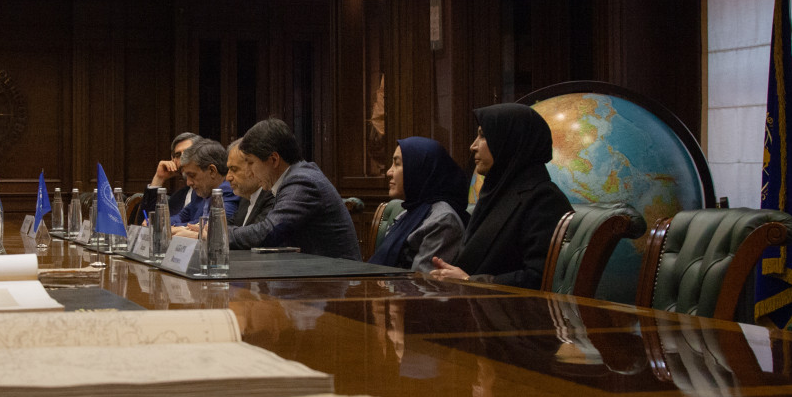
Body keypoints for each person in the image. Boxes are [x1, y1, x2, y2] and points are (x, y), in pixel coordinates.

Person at [430, 104, 571, 287]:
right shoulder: (496, 193)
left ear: (510, 141)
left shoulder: (544, 199)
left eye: (483, 135)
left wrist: (469, 281)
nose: (473, 146)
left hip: (509, 305)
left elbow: (538, 279)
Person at [229, 118, 361, 261]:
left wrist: (221, 234)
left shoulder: (302, 182)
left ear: (274, 159)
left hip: (337, 273)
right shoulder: (295, 177)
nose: (249, 172)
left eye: (250, 162)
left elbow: (268, 233)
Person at [369, 136, 468, 272]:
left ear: (419, 168)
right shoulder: (409, 212)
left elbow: (421, 281)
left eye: (397, 164)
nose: (388, 172)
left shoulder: (443, 220)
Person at [167, 138, 241, 233]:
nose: (188, 183)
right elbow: (180, 217)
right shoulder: (199, 193)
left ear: (212, 171)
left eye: (192, 175)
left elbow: (214, 225)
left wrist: (177, 228)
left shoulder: (229, 191)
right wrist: (157, 223)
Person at [138, 131, 199, 222]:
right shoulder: (178, 196)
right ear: (173, 160)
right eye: (178, 155)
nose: (182, 160)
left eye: (188, 153)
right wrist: (159, 179)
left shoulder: (213, 191)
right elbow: (146, 222)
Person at [227, 138, 274, 227]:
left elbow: (256, 233)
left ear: (254, 166)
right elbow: (233, 223)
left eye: (234, 169)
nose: (228, 177)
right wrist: (207, 228)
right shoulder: (247, 195)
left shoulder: (272, 196)